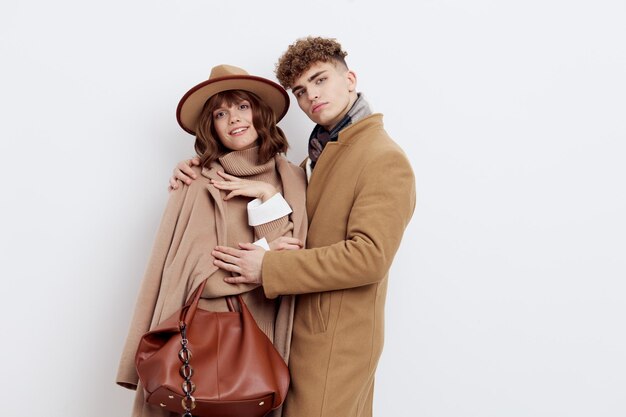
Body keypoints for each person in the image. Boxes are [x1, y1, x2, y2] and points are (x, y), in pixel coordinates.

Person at [169, 37, 416, 417]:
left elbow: (370, 257)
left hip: (335, 343)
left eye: (320, 80)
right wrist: (200, 168)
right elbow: (300, 230)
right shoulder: (317, 156)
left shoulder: (382, 157)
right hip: (292, 337)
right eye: (301, 90)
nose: (312, 96)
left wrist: (267, 268)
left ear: (350, 79)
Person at [116, 64, 307, 417]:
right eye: (221, 112)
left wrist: (266, 196)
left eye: (242, 107)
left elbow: (295, 259)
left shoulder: (291, 177)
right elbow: (186, 275)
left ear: (260, 113)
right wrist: (264, 258)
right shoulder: (197, 183)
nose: (234, 118)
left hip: (266, 345)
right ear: (212, 126)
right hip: (199, 349)